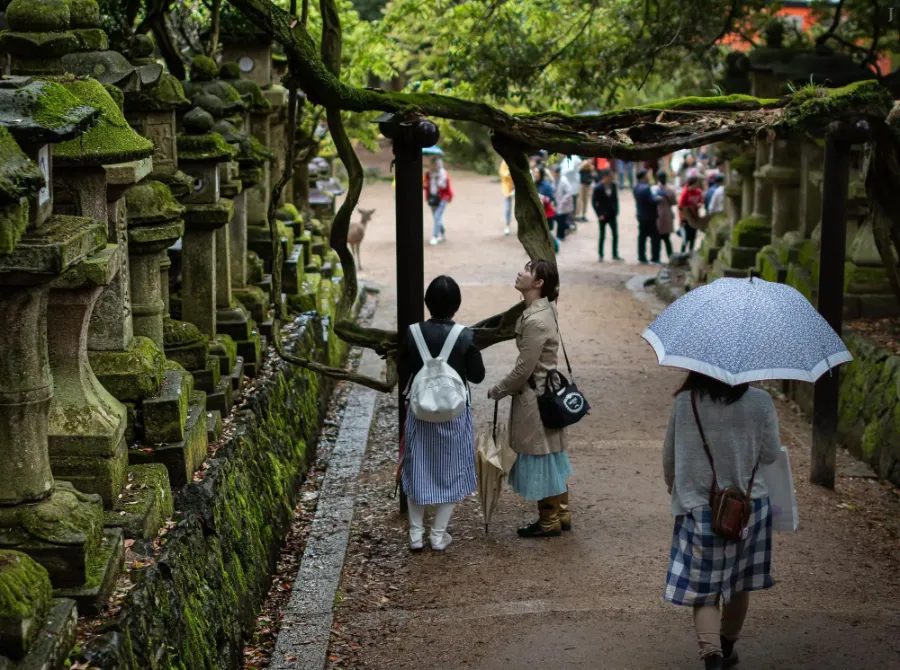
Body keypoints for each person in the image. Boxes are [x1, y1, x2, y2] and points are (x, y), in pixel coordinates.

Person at [662, 372, 780, 669]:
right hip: (749, 508)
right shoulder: (761, 401)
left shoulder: (686, 401)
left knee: (705, 588)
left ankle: (712, 656)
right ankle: (727, 646)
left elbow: (670, 456)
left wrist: (673, 487)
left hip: (699, 507)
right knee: (740, 581)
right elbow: (769, 454)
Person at [488, 260, 571, 538]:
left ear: (538, 283)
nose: (520, 271)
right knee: (551, 452)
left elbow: (524, 368)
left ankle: (548, 520)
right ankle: (561, 512)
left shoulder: (535, 320)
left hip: (535, 397)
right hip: (548, 392)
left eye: (528, 270)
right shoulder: (545, 310)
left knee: (541, 454)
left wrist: (500, 388)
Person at [403, 276, 486, 552]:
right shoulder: (464, 335)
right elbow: (477, 376)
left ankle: (415, 535)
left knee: (418, 469)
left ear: (427, 302)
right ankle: (438, 536)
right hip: (453, 415)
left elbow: (404, 371)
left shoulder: (412, 333)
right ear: (457, 305)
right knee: (450, 470)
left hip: (419, 412)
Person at [592, 169, 621, 262]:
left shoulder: (613, 185)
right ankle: (601, 254)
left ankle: (615, 254)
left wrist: (616, 210)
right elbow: (593, 202)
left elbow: (615, 198)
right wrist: (599, 214)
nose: (610, 178)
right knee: (602, 236)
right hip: (603, 215)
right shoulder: (598, 187)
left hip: (612, 214)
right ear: (604, 177)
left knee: (615, 235)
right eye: (609, 176)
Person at [424, 158, 453, 246]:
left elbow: (444, 186)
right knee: (436, 217)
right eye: (430, 165)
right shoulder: (428, 174)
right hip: (432, 198)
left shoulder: (443, 174)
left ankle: (435, 236)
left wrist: (437, 179)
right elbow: (426, 186)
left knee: (437, 216)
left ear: (437, 165)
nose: (431, 166)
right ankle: (442, 232)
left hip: (443, 198)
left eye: (433, 165)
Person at [633, 168, 659, 264]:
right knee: (655, 237)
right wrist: (658, 199)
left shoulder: (636, 187)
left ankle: (642, 256)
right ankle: (655, 258)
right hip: (649, 216)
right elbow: (651, 201)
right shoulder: (646, 188)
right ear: (644, 177)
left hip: (641, 214)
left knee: (642, 237)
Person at [653, 170, 676, 262]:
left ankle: (669, 258)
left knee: (665, 239)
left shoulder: (668, 189)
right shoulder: (655, 189)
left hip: (663, 216)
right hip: (660, 216)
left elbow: (674, 202)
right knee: (660, 240)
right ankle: (658, 258)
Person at [534, 167, 559, 251]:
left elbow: (550, 199)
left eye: (537, 173)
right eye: (535, 173)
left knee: (546, 232)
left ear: (541, 174)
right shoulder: (533, 184)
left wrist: (541, 197)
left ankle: (555, 245)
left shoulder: (547, 186)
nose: (536, 174)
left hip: (547, 213)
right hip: (537, 212)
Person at [678, 174, 704, 253]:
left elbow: (701, 201)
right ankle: (682, 254)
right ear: (692, 184)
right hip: (686, 219)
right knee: (686, 239)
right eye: (696, 184)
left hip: (694, 217)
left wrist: (699, 204)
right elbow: (680, 207)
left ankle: (690, 253)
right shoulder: (684, 193)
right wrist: (681, 220)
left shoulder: (698, 191)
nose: (697, 185)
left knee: (693, 237)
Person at [553, 164, 576, 241]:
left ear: (558, 173)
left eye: (555, 173)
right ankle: (568, 228)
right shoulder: (555, 180)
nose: (554, 174)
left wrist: (563, 201)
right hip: (559, 204)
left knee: (560, 220)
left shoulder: (563, 180)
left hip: (564, 204)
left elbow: (569, 192)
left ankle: (561, 236)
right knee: (559, 220)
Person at [499, 160, 515, 236]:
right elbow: (502, 173)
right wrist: (511, 172)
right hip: (508, 188)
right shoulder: (504, 162)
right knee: (508, 208)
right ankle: (507, 225)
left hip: (517, 187)